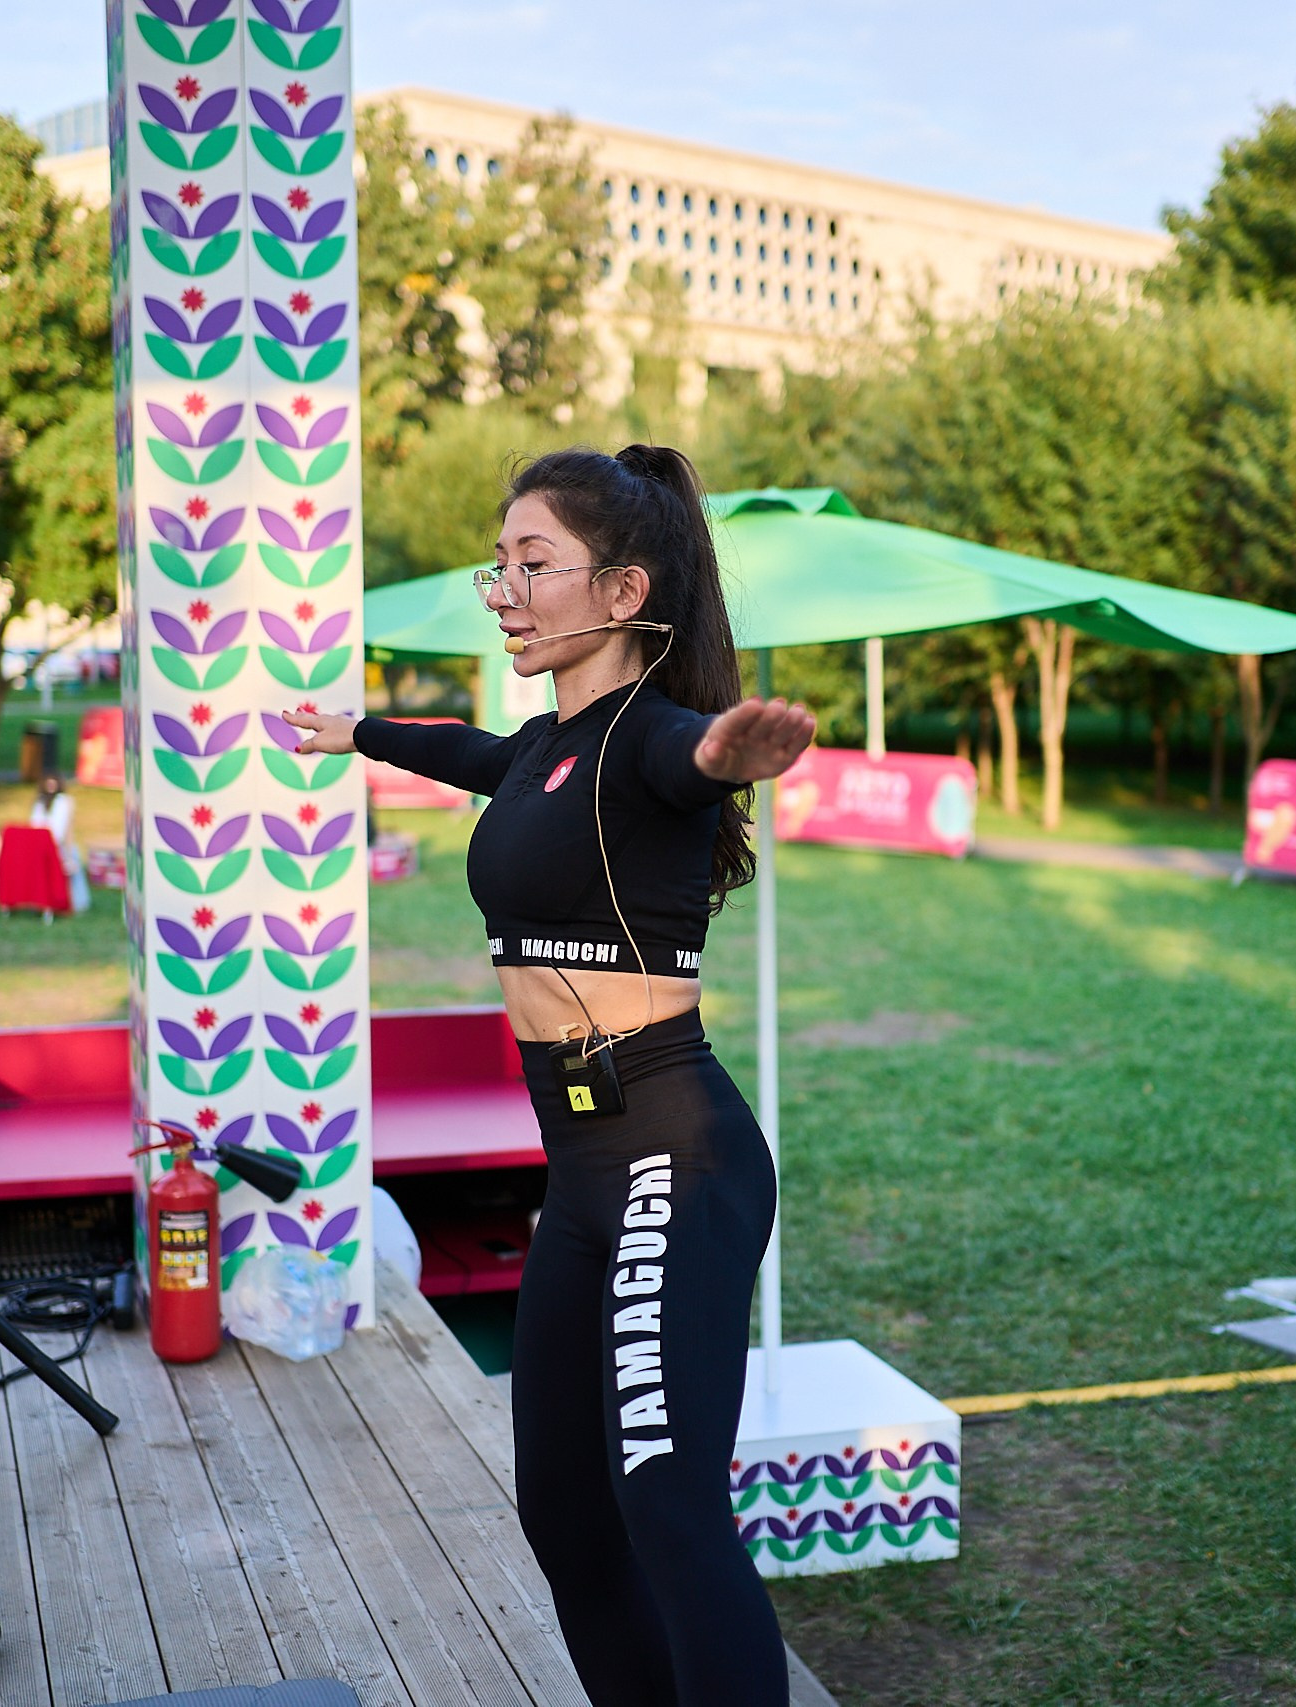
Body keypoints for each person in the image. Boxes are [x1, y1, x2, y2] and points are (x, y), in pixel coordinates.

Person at [284, 444, 815, 1707]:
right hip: (582, 1174)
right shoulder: (544, 747)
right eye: (500, 565)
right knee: (564, 1510)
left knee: (667, 1503)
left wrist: (731, 751)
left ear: (623, 593)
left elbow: (689, 759)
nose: (505, 592)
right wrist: (355, 731)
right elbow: (466, 750)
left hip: (673, 1153)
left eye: (533, 565)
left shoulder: (649, 740)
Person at [29, 771, 89, 913]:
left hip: (61, 844)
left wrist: (68, 851)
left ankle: (78, 903)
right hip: (42, 845)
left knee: (72, 870)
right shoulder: (40, 802)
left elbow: (67, 828)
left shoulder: (64, 802)